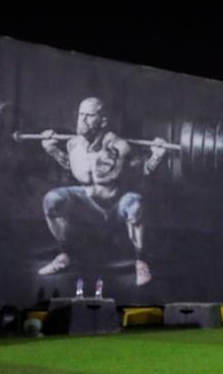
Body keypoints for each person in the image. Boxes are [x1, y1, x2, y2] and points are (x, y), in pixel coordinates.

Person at [37, 97, 167, 286]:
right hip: (86, 204)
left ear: (103, 121)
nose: (82, 120)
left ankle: (141, 261)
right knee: (52, 199)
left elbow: (140, 173)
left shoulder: (120, 147)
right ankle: (65, 254)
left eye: (89, 116)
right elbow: (71, 166)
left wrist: (157, 156)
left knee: (135, 203)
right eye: (81, 114)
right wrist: (52, 150)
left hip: (115, 204)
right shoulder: (73, 144)